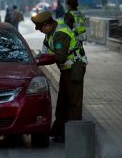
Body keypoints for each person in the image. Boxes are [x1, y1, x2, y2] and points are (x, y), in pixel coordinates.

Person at [31, 11, 86, 143]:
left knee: (73, 102)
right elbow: (46, 51)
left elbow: (60, 57)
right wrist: (37, 58)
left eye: (40, 28)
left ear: (47, 25)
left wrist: (40, 62)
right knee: (62, 100)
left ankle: (73, 134)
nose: (40, 31)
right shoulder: (51, 33)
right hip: (67, 70)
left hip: (74, 68)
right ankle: (59, 130)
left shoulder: (60, 34)